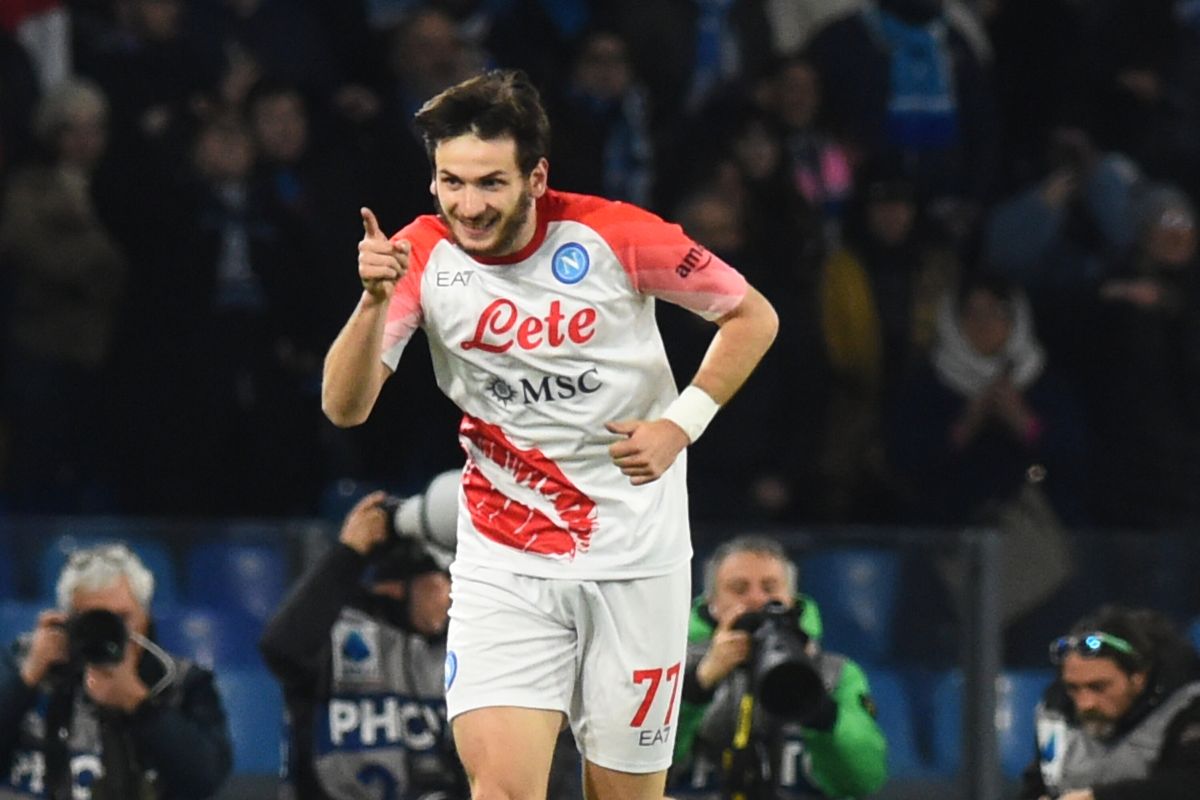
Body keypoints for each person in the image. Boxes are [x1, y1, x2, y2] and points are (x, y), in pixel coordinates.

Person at [321, 69, 779, 800]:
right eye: (451, 182)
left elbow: (752, 316)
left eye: (491, 183)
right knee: (502, 790)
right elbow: (345, 408)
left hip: (637, 559)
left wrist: (679, 425)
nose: (469, 205)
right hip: (505, 560)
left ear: (536, 177)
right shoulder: (418, 255)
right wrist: (372, 302)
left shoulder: (616, 234)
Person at [259, 472, 468, 799]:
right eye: (441, 581)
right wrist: (349, 554)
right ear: (396, 586)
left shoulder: (454, 641)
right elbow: (281, 649)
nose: (450, 595)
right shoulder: (336, 629)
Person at [0, 543, 233, 799]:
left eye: (122, 618)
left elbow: (205, 780)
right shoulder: (24, 663)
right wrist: (25, 680)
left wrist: (139, 704)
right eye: (93, 618)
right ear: (68, 618)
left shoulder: (180, 682)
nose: (109, 630)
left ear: (145, 617)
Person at [669, 535, 888, 799]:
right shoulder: (673, 668)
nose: (756, 599)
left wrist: (819, 708)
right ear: (712, 603)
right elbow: (641, 767)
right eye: (739, 589)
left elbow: (863, 781)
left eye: (770, 588)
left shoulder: (834, 673)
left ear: (791, 599)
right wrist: (697, 685)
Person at [1020, 604, 1200, 800]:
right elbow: (1037, 785)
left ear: (1138, 678)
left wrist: (1099, 797)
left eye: (1098, 687)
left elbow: (1188, 786)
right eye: (1073, 687)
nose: (1086, 703)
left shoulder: (1187, 706)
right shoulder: (1055, 711)